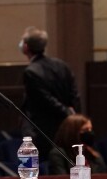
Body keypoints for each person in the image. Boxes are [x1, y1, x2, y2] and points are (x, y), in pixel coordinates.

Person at [19, 26, 81, 156]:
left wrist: (66, 113)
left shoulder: (31, 72)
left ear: (26, 47)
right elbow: (74, 94)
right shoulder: (62, 65)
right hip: (67, 129)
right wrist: (73, 116)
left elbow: (45, 100)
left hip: (43, 133)